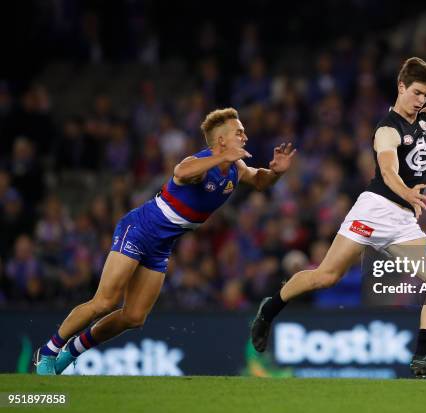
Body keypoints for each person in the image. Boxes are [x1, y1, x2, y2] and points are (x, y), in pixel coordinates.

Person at [251, 28, 426, 377]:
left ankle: (424, 354)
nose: (420, 100)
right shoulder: (388, 129)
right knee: (326, 276)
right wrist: (407, 192)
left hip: (402, 221)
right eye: (416, 93)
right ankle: (270, 309)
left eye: (425, 94)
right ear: (401, 86)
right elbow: (386, 167)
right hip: (375, 208)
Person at [34, 107, 296, 375]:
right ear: (221, 141)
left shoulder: (236, 168)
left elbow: (260, 181)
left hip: (160, 246)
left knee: (135, 317)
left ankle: (73, 350)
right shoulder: (201, 164)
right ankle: (47, 352)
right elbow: (181, 171)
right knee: (104, 302)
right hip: (139, 230)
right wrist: (220, 158)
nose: (245, 136)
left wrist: (277, 173)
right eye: (239, 132)